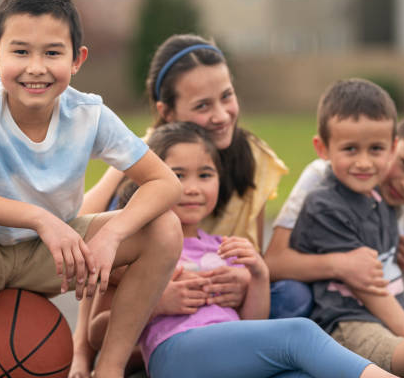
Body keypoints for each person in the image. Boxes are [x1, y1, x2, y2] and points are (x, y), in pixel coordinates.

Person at [0, 0, 183, 378]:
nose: (36, 67)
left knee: (164, 228)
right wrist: (40, 218)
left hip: (50, 255)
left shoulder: (88, 114)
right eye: (21, 51)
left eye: (52, 52)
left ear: (77, 60)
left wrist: (112, 236)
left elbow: (166, 183)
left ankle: (108, 369)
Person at [70, 34, 296, 378]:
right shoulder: (146, 158)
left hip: (221, 305)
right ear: (167, 112)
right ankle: (126, 354)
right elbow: (90, 237)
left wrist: (241, 279)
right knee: (113, 231)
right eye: (203, 106)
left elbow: (254, 252)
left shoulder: (254, 158)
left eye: (227, 96)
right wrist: (80, 358)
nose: (221, 116)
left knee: (293, 297)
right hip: (154, 302)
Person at [120, 121, 397, 378]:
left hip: (229, 356)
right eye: (178, 175)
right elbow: (100, 331)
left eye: (205, 175)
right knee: (298, 333)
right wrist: (157, 305)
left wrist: (258, 274)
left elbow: (253, 322)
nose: (192, 188)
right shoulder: (143, 246)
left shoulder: (226, 248)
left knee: (301, 375)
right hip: (175, 354)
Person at [288, 78, 404, 376]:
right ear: (323, 149)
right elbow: (370, 291)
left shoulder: (379, 198)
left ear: (390, 147)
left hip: (390, 321)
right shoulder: (327, 204)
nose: (364, 163)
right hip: (350, 326)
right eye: (351, 149)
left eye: (375, 149)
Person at [265, 102, 404, 325]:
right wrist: (339, 264)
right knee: (291, 296)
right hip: (311, 302)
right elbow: (273, 263)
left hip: (367, 315)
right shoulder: (323, 176)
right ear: (392, 144)